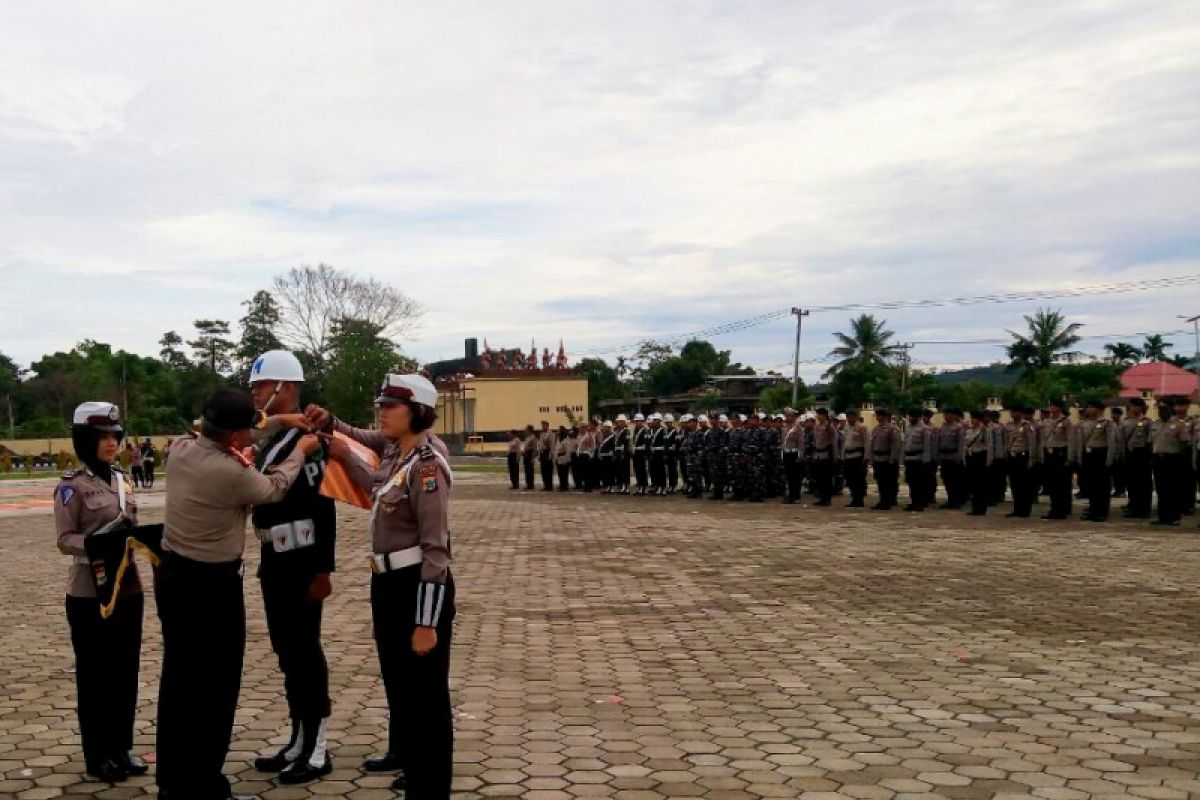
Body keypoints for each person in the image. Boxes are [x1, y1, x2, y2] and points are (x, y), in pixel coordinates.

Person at [157, 389, 319, 800]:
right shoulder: (230, 472)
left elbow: (251, 430)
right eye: (248, 427)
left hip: (174, 579)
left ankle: (173, 784)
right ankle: (206, 786)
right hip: (211, 588)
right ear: (233, 434)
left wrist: (282, 422)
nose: (253, 432)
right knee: (216, 688)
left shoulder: (181, 450)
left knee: (179, 685)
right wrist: (301, 448)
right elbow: (274, 487)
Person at [309, 374, 456, 798]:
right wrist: (330, 424)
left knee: (426, 698)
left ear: (418, 412)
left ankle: (431, 787)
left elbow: (436, 550)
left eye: (391, 406)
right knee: (402, 689)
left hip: (416, 589)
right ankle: (415, 774)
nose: (382, 412)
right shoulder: (397, 452)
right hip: (387, 584)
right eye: (382, 404)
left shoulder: (427, 465)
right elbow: (362, 445)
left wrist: (426, 622)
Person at [246, 350, 338, 784]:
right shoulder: (278, 437)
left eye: (261, 387)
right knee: (287, 653)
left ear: (285, 388)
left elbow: (325, 507)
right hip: (274, 561)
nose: (256, 394)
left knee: (305, 652)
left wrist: (324, 569)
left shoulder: (311, 437)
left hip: (302, 563)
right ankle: (298, 738)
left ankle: (318, 744)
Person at [55, 402, 147, 783]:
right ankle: (98, 756)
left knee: (125, 672)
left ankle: (121, 748)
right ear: (85, 440)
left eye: (115, 436)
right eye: (103, 437)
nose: (111, 443)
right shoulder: (70, 487)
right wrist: (98, 543)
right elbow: (64, 540)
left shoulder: (122, 481)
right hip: (89, 592)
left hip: (127, 588)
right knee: (95, 677)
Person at [1074, 400, 1117, 522]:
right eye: (1088, 407)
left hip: (1100, 454)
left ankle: (1102, 511)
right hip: (1088, 455)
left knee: (1102, 486)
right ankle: (1093, 509)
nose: (1088, 409)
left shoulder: (1106, 423)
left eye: (1091, 407)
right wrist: (1079, 457)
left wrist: (1109, 459)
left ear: (1099, 410)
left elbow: (1111, 442)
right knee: (1091, 485)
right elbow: (1080, 442)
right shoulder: (1083, 424)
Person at [1151, 398, 1190, 526]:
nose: (1162, 411)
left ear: (1171, 409)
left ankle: (1174, 516)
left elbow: (1184, 443)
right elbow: (1150, 442)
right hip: (1158, 458)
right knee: (1161, 489)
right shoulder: (1155, 424)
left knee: (1173, 489)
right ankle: (1162, 516)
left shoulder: (1179, 424)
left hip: (1173, 459)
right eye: (1160, 409)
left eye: (1165, 408)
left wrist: (1181, 461)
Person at [1040, 399, 1074, 520]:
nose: (1050, 408)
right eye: (1050, 406)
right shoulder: (1047, 421)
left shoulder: (1066, 421)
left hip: (1061, 453)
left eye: (1053, 406)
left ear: (1059, 408)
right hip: (1050, 453)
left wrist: (1070, 457)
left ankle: (1062, 509)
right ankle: (1054, 508)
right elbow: (1044, 439)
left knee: (1062, 483)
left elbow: (1070, 440)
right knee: (1052, 483)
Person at [1121, 398, 1154, 518]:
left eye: (1137, 406)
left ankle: (1144, 508)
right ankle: (1133, 505)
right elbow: (1121, 440)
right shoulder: (1125, 422)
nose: (1134, 409)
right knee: (1131, 482)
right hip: (1129, 454)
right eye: (1132, 406)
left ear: (1142, 408)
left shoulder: (1147, 422)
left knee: (1143, 482)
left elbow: (1150, 440)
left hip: (1142, 454)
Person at [1004, 406, 1039, 518]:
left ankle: (1025, 510)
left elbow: (1032, 443)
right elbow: (1007, 441)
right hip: (1012, 456)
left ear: (1021, 413)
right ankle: (1017, 509)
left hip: (1023, 456)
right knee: (1015, 485)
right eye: (1012, 411)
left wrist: (1031, 459)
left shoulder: (1027, 426)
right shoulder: (1008, 425)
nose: (1013, 413)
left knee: (1025, 485)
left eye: (1015, 411)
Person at [869, 408, 902, 510]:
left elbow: (895, 445)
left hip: (887, 458)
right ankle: (882, 500)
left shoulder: (892, 429)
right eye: (877, 415)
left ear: (884, 416)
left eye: (879, 415)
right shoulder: (875, 429)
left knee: (888, 481)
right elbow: (872, 444)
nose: (877, 417)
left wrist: (893, 458)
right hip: (877, 458)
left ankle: (888, 501)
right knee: (880, 481)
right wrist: (871, 458)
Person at [903, 408, 933, 512]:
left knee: (919, 482)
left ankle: (920, 502)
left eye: (913, 416)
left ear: (918, 417)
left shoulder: (924, 429)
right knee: (911, 482)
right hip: (909, 458)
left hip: (919, 459)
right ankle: (914, 501)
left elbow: (927, 446)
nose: (911, 418)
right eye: (910, 416)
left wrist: (926, 460)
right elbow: (905, 444)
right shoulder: (908, 428)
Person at [964, 410, 992, 516]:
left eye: (974, 418)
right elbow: (966, 444)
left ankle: (981, 508)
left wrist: (989, 460)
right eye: (972, 418)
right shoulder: (969, 430)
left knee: (981, 485)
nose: (972, 420)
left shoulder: (985, 430)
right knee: (973, 484)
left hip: (981, 457)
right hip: (971, 457)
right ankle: (975, 507)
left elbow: (989, 446)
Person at [840, 409, 869, 508]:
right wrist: (842, 455)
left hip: (857, 456)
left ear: (855, 417)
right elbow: (844, 443)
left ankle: (859, 499)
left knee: (858, 479)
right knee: (850, 479)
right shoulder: (847, 428)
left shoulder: (861, 427)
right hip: (848, 456)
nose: (849, 419)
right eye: (848, 417)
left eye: (851, 416)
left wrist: (866, 456)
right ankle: (854, 498)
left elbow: (866, 443)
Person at [810, 409, 838, 506]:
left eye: (819, 415)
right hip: (818, 454)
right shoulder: (816, 426)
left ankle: (827, 499)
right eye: (817, 415)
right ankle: (822, 497)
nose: (818, 416)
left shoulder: (829, 427)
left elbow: (834, 441)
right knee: (819, 478)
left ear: (824, 415)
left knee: (827, 478)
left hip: (826, 454)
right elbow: (815, 441)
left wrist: (835, 456)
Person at [1108, 406, 1127, 498]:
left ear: (1120, 415)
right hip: (1114, 453)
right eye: (1113, 414)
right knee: (1115, 474)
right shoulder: (1111, 424)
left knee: (1122, 473)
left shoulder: (1124, 424)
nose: (1113, 416)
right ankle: (1117, 490)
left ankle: (1121, 490)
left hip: (1122, 452)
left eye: (1115, 414)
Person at [631, 413, 650, 495]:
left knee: (642, 470)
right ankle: (639, 487)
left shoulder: (645, 430)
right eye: (636, 421)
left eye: (639, 421)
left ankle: (644, 487)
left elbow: (646, 443)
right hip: (636, 452)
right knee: (637, 470)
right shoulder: (635, 429)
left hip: (642, 452)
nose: (637, 422)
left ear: (642, 421)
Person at [537, 421, 556, 491]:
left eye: (544, 425)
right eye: (542, 425)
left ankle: (549, 485)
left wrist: (551, 455)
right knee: (543, 470)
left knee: (548, 470)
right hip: (542, 452)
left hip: (547, 452)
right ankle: (545, 484)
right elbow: (540, 445)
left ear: (547, 425)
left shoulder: (551, 433)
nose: (543, 427)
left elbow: (552, 445)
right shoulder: (541, 434)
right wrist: (539, 454)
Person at [554, 427, 573, 491]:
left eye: (559, 433)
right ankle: (562, 485)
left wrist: (566, 461)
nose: (558, 435)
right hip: (559, 459)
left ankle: (564, 486)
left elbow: (567, 452)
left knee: (564, 474)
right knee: (560, 474)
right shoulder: (559, 441)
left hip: (564, 459)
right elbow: (556, 450)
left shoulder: (566, 441)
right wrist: (556, 458)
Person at [521, 425, 537, 490]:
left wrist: (533, 457)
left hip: (530, 454)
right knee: (527, 470)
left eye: (526, 430)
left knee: (530, 470)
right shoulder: (527, 438)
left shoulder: (533, 437)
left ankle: (531, 484)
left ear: (529, 430)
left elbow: (534, 448)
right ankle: (528, 484)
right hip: (526, 454)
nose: (525, 431)